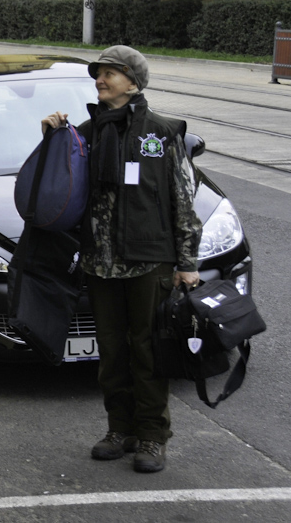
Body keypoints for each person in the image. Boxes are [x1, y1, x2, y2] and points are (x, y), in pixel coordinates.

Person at [41, 46, 201, 474]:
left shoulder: (162, 133)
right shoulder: (87, 133)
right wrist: (51, 137)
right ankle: (120, 429)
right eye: (99, 72)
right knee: (111, 351)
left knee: (148, 350)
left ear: (133, 82)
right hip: (100, 262)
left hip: (150, 263)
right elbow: (56, 186)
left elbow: (183, 202)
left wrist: (188, 263)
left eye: (111, 73)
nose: (101, 79)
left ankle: (152, 435)